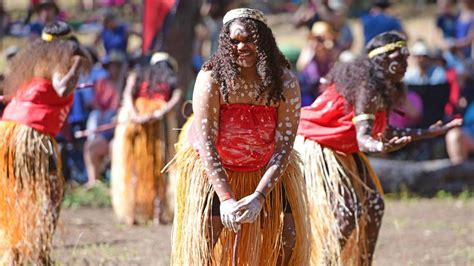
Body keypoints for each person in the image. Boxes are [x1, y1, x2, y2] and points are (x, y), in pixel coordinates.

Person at [294, 31, 462, 265]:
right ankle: (325, 262)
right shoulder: (368, 87)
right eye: (398, 58)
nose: (405, 63)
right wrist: (382, 144)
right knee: (347, 211)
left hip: (342, 147)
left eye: (406, 57)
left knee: (374, 204)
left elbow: (384, 132)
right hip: (318, 143)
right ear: (382, 61)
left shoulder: (384, 87)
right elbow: (365, 139)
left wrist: (426, 133)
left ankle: (362, 262)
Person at [171, 8, 310, 265]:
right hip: (217, 168)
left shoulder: (285, 82)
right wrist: (225, 199)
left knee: (288, 235)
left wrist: (259, 196)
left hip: (268, 169)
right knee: (205, 239)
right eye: (234, 41)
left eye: (249, 39)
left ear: (264, 40)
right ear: (225, 43)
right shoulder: (211, 78)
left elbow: (284, 147)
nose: (242, 47)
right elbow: (207, 144)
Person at [0, 21, 89, 264]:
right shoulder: (60, 58)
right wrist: (77, 66)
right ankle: (39, 252)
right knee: (51, 193)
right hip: (32, 135)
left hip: (9, 132)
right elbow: (62, 88)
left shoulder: (33, 62)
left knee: (18, 193)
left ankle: (16, 252)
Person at [111, 52, 181, 225]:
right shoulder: (172, 80)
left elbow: (127, 96)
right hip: (158, 127)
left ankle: (132, 214)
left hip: (136, 123)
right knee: (159, 167)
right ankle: (157, 213)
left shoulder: (139, 74)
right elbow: (174, 101)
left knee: (133, 167)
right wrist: (157, 114)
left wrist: (135, 114)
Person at [83, 50, 126, 188]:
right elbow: (96, 104)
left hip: (121, 126)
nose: (114, 69)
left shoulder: (128, 82)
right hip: (104, 124)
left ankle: (117, 183)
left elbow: (121, 103)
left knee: (116, 148)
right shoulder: (101, 82)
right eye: (111, 66)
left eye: (117, 66)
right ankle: (93, 182)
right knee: (90, 147)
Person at [296, 21, 339, 106]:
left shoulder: (332, 51)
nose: (319, 42)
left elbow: (335, 69)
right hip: (309, 89)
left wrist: (328, 50)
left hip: (325, 89)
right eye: (316, 38)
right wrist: (312, 51)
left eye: (321, 39)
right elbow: (300, 67)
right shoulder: (309, 49)